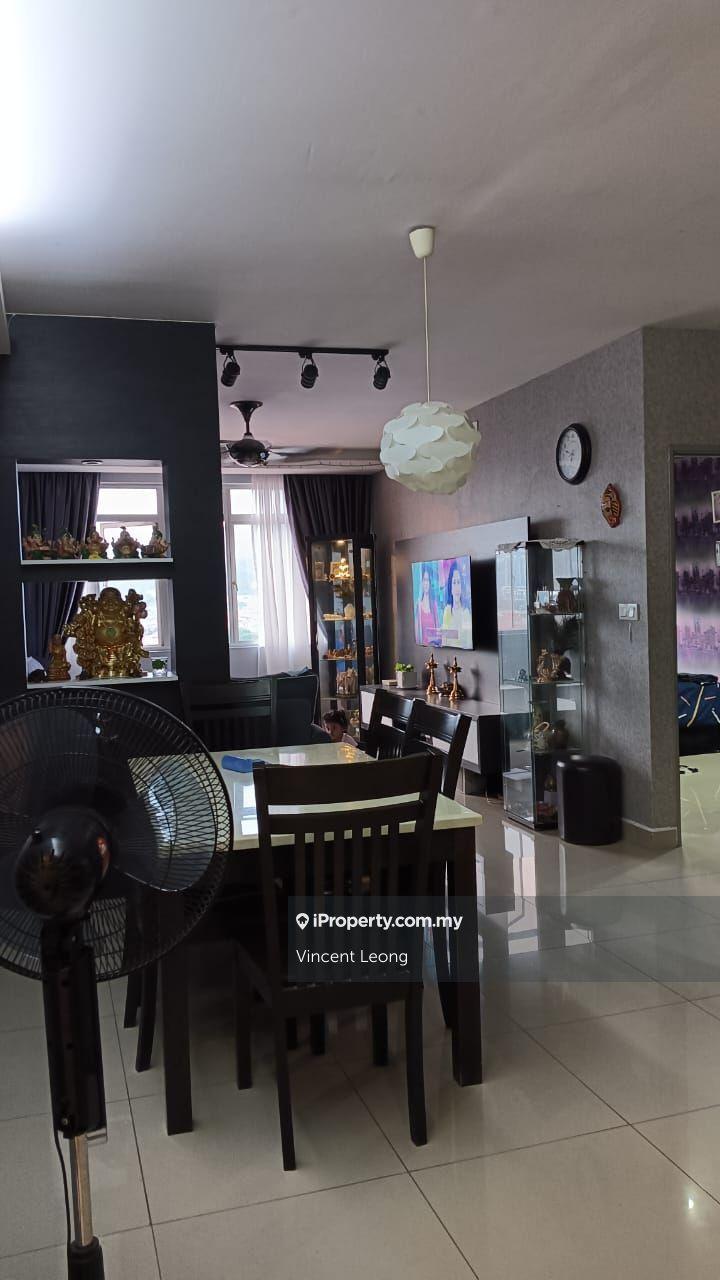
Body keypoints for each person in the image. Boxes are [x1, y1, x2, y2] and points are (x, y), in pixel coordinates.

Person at [441, 560, 472, 648]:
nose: (457, 587)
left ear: (462, 586)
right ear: (450, 587)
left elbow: (469, 643)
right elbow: (444, 641)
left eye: (459, 582)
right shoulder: (447, 610)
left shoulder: (466, 612)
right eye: (454, 582)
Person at [414, 562, 440, 645]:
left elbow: (438, 632)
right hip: (422, 648)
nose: (426, 583)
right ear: (421, 582)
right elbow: (417, 635)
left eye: (428, 580)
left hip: (434, 646)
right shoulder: (418, 606)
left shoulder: (434, 605)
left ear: (430, 583)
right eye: (424, 580)